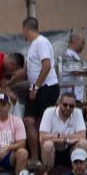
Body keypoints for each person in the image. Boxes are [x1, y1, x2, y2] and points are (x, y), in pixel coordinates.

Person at [21, 17, 60, 163]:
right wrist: (10, 82)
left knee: (42, 123)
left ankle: (44, 158)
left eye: (23, 31)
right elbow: (26, 70)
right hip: (36, 88)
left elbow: (47, 65)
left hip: (46, 88)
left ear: (26, 29)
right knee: (28, 121)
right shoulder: (32, 46)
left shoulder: (41, 42)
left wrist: (36, 86)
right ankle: (34, 157)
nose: (22, 34)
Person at [38, 92, 87, 172]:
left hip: (70, 149)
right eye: (65, 105)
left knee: (83, 143)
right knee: (48, 145)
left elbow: (82, 136)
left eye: (71, 106)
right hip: (52, 150)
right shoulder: (49, 112)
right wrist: (65, 140)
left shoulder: (78, 112)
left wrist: (53, 137)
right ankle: (48, 174)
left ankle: (77, 173)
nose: (68, 108)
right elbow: (42, 138)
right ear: (59, 104)